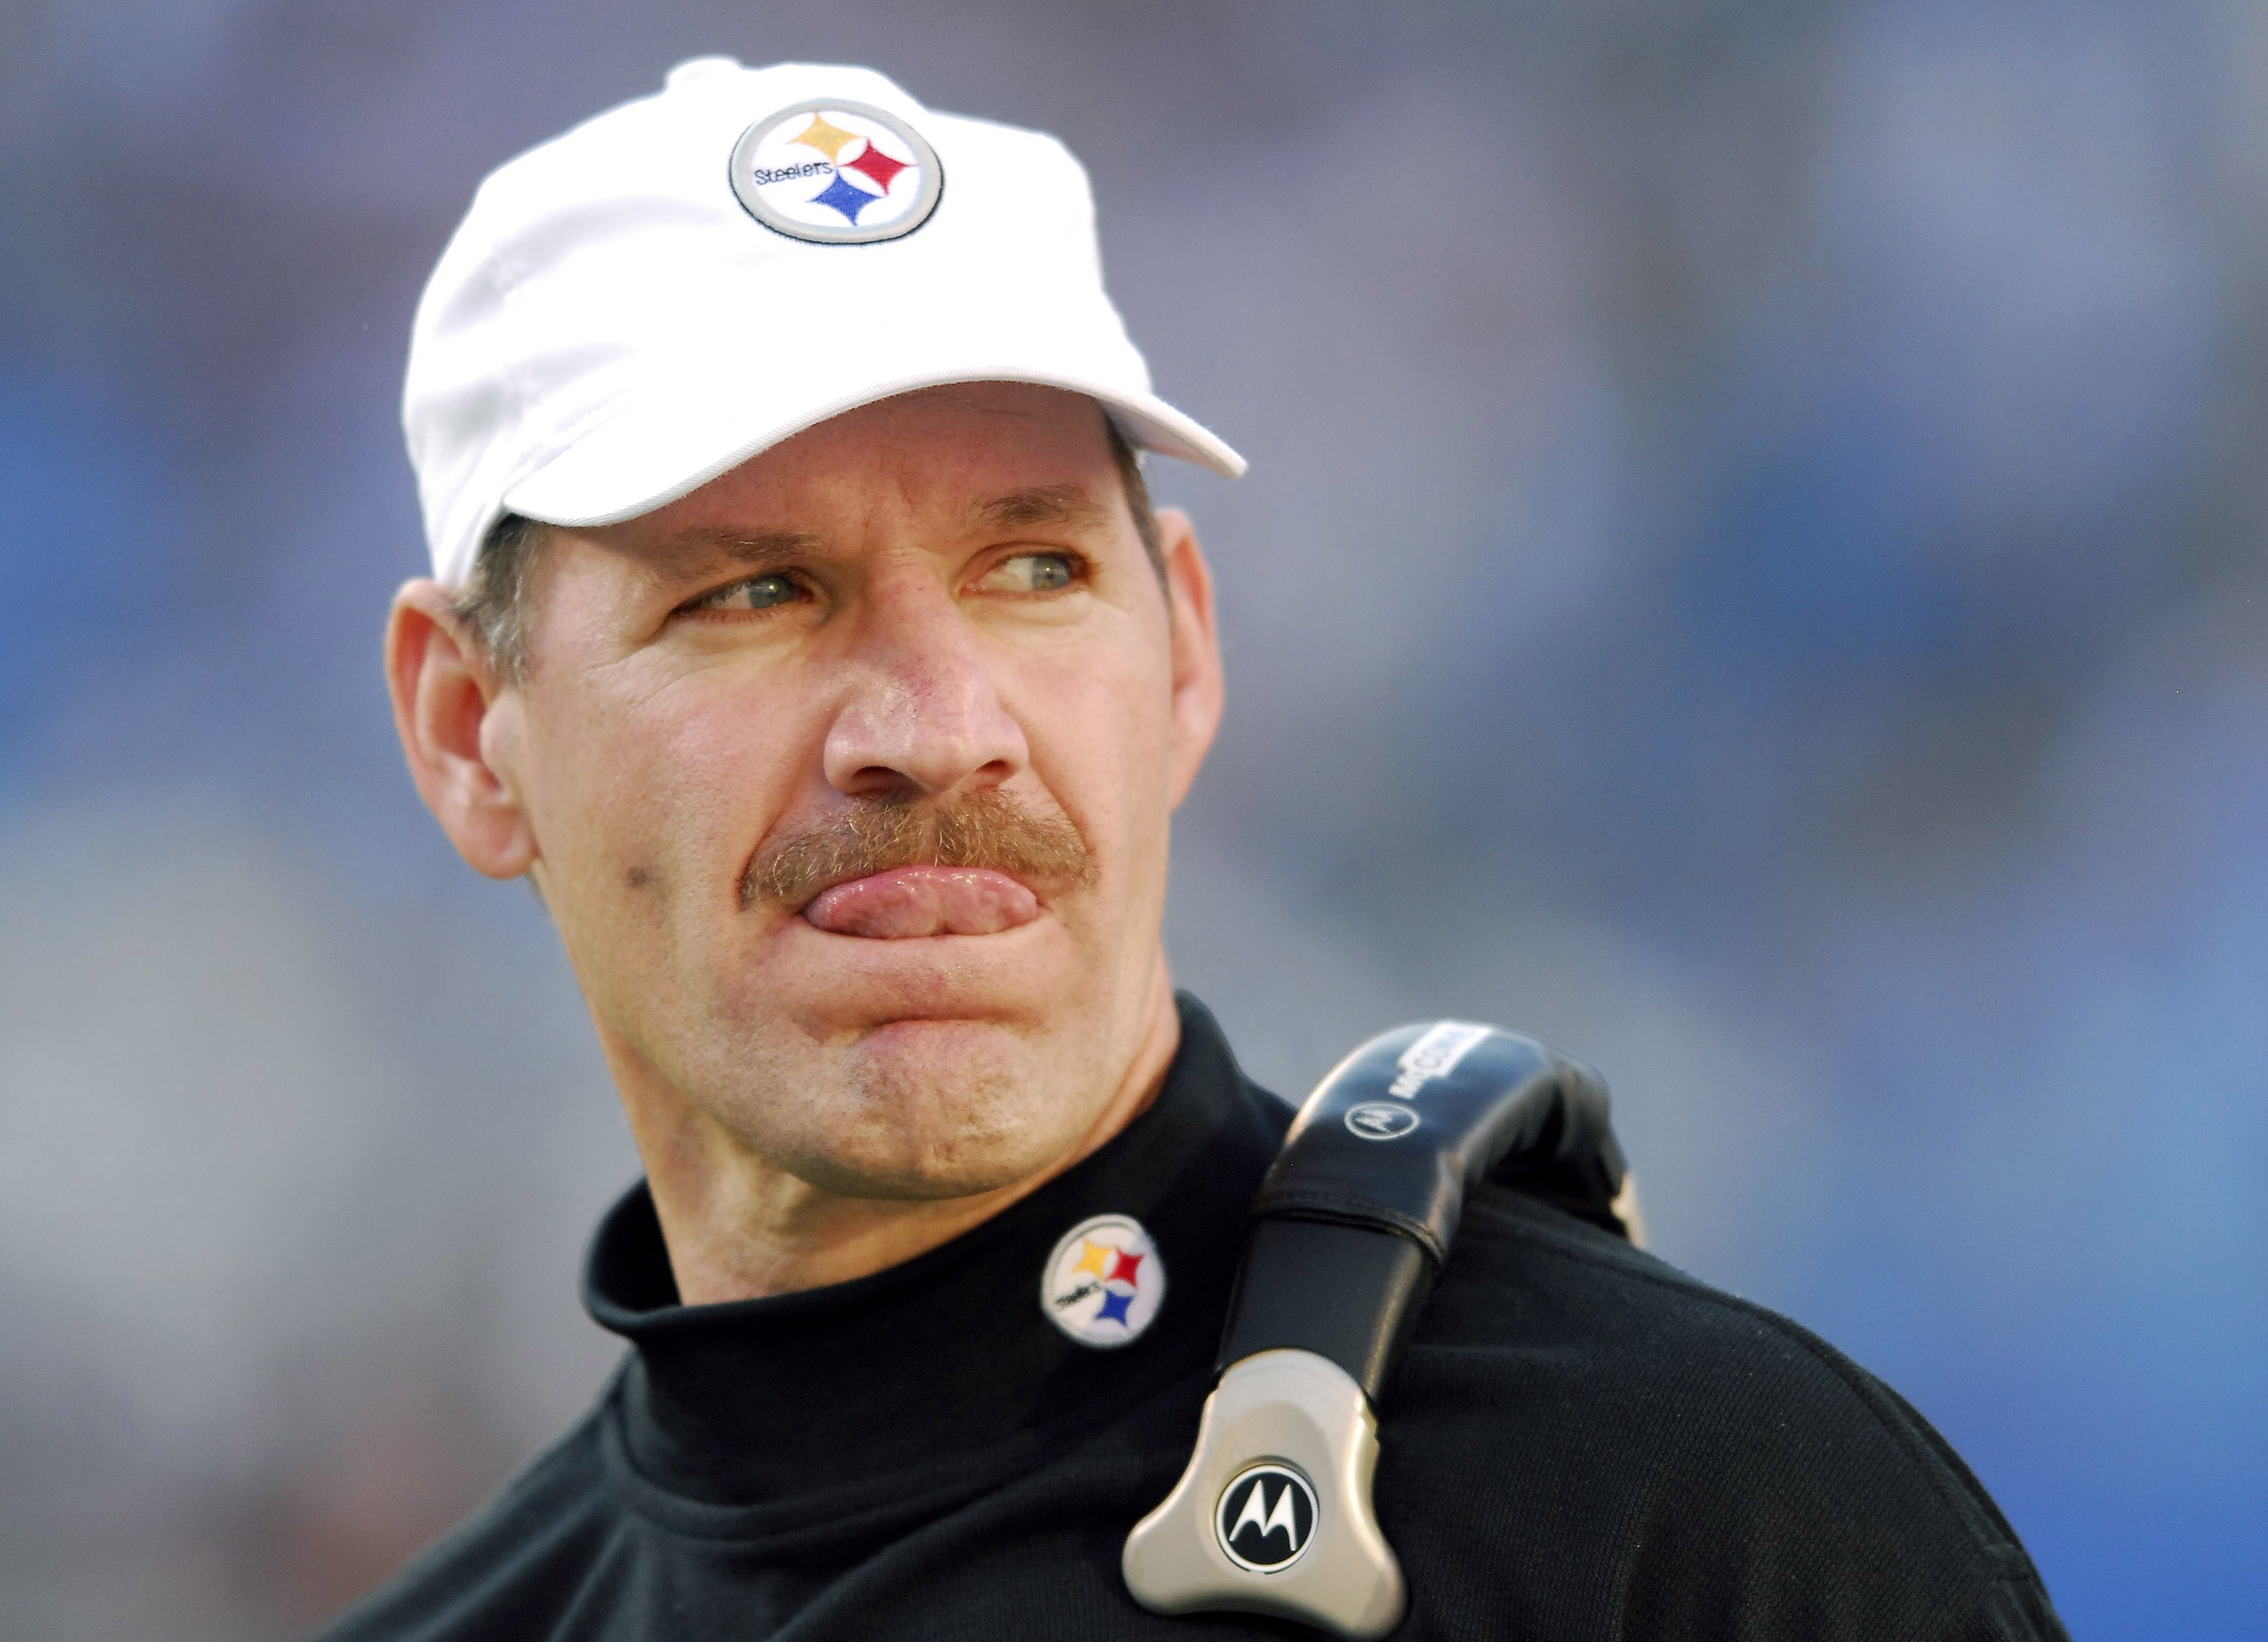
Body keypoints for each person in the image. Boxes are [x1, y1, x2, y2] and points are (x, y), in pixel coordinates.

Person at [321, 56, 2068, 1641]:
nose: (937, 725)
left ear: (1184, 651)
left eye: (1036, 570)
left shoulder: (1682, 1519)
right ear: (471, 732)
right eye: (758, 591)